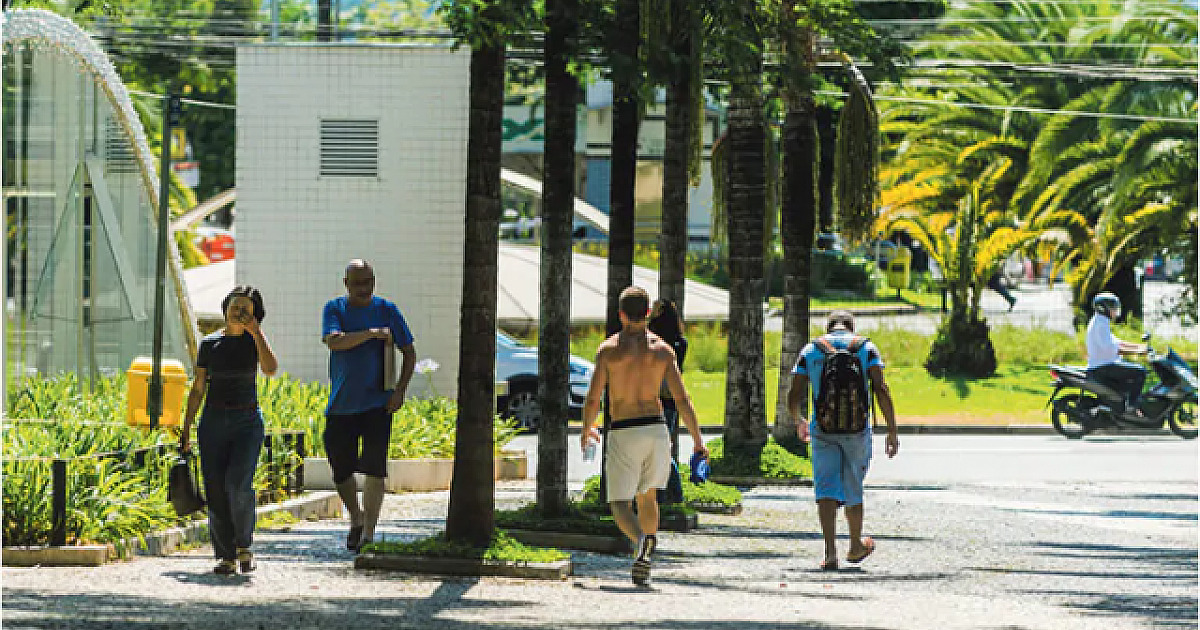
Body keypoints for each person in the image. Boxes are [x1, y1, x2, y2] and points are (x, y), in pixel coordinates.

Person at [581, 286, 708, 586]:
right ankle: (646, 555)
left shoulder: (609, 350)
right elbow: (683, 400)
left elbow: (593, 398)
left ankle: (640, 541)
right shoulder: (663, 350)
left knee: (620, 504)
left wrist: (587, 429)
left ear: (621, 314)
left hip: (624, 429)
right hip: (656, 428)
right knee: (648, 496)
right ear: (648, 313)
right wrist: (698, 440)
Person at [786, 310, 898, 571]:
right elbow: (881, 388)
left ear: (829, 327)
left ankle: (830, 552)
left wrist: (798, 419)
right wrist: (892, 430)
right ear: (851, 327)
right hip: (857, 430)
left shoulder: (811, 350)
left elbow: (795, 392)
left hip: (822, 430)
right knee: (853, 484)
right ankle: (856, 545)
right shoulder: (866, 348)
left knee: (824, 487)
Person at [180, 286, 279, 575]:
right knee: (216, 489)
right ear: (225, 309)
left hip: (246, 422)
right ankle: (225, 555)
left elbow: (271, 368)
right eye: (235, 307)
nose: (238, 313)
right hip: (212, 422)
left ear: (254, 314)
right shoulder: (210, 344)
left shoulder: (254, 342)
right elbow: (198, 388)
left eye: (245, 309)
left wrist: (257, 333)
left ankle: (244, 546)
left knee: (238, 484)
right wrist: (186, 427)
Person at [322, 259, 417, 552]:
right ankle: (356, 518)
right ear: (346, 283)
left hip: (378, 403)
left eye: (369, 282)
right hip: (341, 404)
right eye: (358, 283)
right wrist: (372, 334)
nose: (364, 288)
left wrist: (399, 390)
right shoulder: (335, 308)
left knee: (375, 468)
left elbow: (409, 352)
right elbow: (334, 341)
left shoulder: (388, 309)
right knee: (341, 469)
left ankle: (369, 535)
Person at [647, 298, 687, 504]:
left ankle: (669, 494)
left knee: (659, 450)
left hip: (654, 397)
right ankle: (670, 494)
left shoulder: (654, 341)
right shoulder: (680, 342)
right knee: (663, 447)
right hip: (670, 398)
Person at [1086, 292, 1147, 412]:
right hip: (1103, 366)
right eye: (1113, 308)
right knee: (1140, 372)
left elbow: (1116, 342)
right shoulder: (1100, 325)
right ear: (1104, 309)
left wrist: (1139, 346)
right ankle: (1132, 407)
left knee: (1131, 375)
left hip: (1105, 364)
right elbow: (1112, 348)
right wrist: (1137, 352)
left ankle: (1122, 405)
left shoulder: (1101, 321)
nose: (1116, 311)